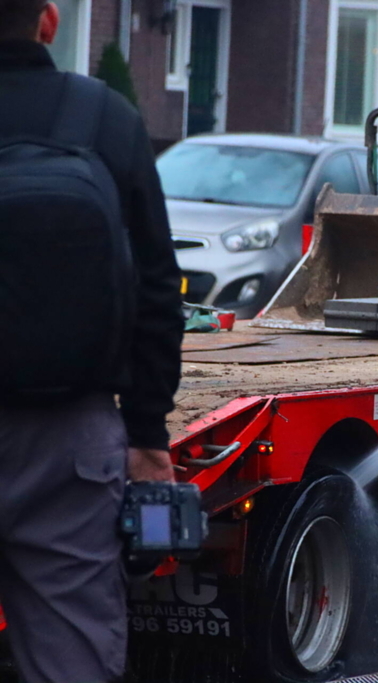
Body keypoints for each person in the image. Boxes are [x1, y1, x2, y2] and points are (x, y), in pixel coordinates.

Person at [0, 2, 183, 681]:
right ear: (48, 22)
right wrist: (147, 434)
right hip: (71, 443)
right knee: (73, 655)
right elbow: (160, 287)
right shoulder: (104, 116)